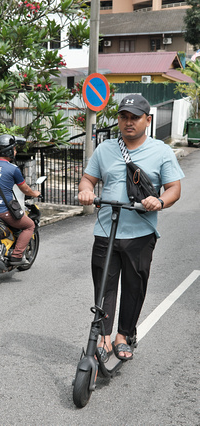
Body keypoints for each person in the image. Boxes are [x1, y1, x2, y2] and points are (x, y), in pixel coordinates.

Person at [78, 94, 184, 361]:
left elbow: (174, 189)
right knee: (104, 286)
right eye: (124, 116)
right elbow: (87, 180)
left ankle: (123, 335)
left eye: (135, 117)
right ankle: (103, 337)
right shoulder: (104, 150)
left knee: (134, 287)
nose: (128, 122)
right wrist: (86, 192)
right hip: (106, 232)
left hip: (140, 235)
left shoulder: (161, 151)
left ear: (147, 120)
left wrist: (158, 201)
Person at [0, 134, 40, 265]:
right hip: (1, 211)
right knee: (29, 225)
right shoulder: (13, 169)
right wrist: (34, 193)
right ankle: (17, 256)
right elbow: (24, 189)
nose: (16, 151)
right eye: (14, 149)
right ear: (9, 151)